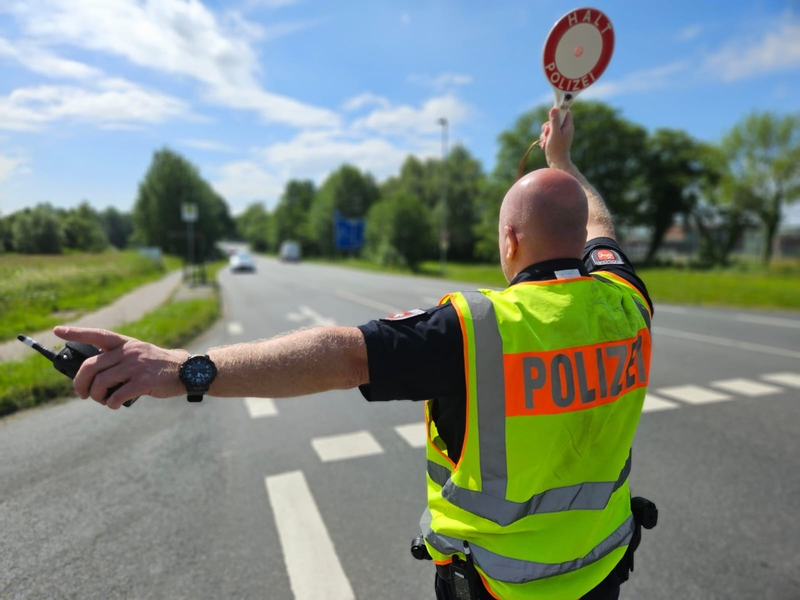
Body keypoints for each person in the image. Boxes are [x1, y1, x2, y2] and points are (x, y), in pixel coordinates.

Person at [55, 107, 654, 600]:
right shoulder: (625, 302)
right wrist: (564, 164)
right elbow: (601, 225)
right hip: (602, 573)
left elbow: (342, 355)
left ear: (509, 239)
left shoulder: (476, 330)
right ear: (583, 242)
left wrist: (183, 368)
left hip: (500, 590)